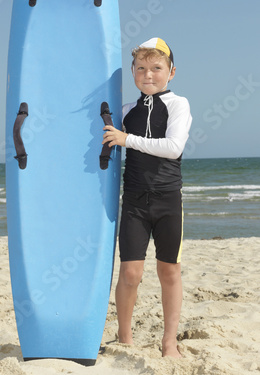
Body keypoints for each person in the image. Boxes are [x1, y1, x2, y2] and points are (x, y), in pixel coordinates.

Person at [102, 37, 192, 358]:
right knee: (130, 273)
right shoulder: (126, 111)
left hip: (169, 201)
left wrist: (127, 139)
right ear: (132, 72)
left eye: (156, 68)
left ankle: (169, 341)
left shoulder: (178, 104)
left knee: (169, 271)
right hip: (136, 203)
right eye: (141, 68)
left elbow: (173, 148)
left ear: (171, 71)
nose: (148, 74)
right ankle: (124, 337)